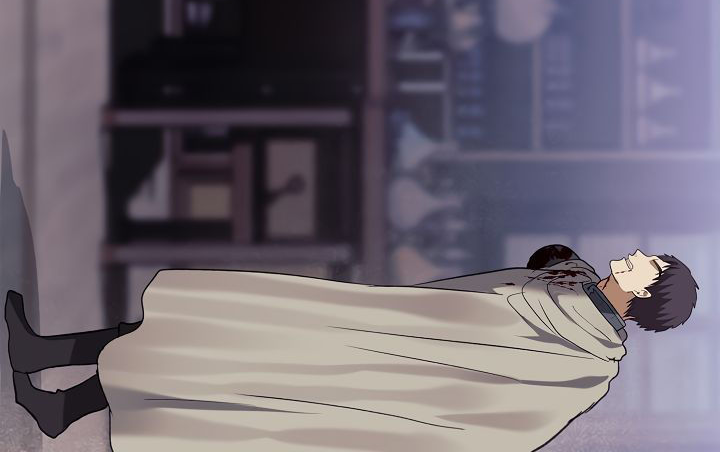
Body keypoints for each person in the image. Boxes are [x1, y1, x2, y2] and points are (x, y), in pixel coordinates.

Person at [5, 240, 697, 447]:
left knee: (211, 357)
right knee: (206, 328)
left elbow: (503, 423)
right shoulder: (574, 281)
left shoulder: (585, 364)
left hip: (372, 366)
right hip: (370, 323)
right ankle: (50, 375)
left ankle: (59, 399)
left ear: (649, 294)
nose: (638, 256)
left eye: (651, 265)